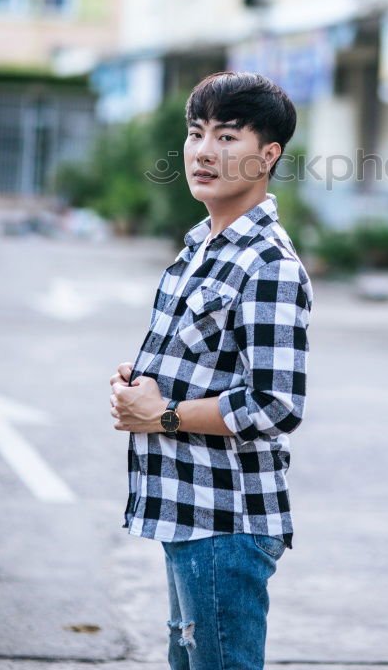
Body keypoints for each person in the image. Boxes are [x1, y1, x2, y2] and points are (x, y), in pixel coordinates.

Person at [109, 71, 312, 670]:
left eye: (227, 137)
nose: (203, 151)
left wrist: (163, 413)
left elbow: (275, 404)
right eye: (197, 133)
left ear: (268, 155)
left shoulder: (267, 262)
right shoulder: (203, 244)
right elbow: (204, 362)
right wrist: (138, 383)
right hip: (186, 510)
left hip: (225, 519)